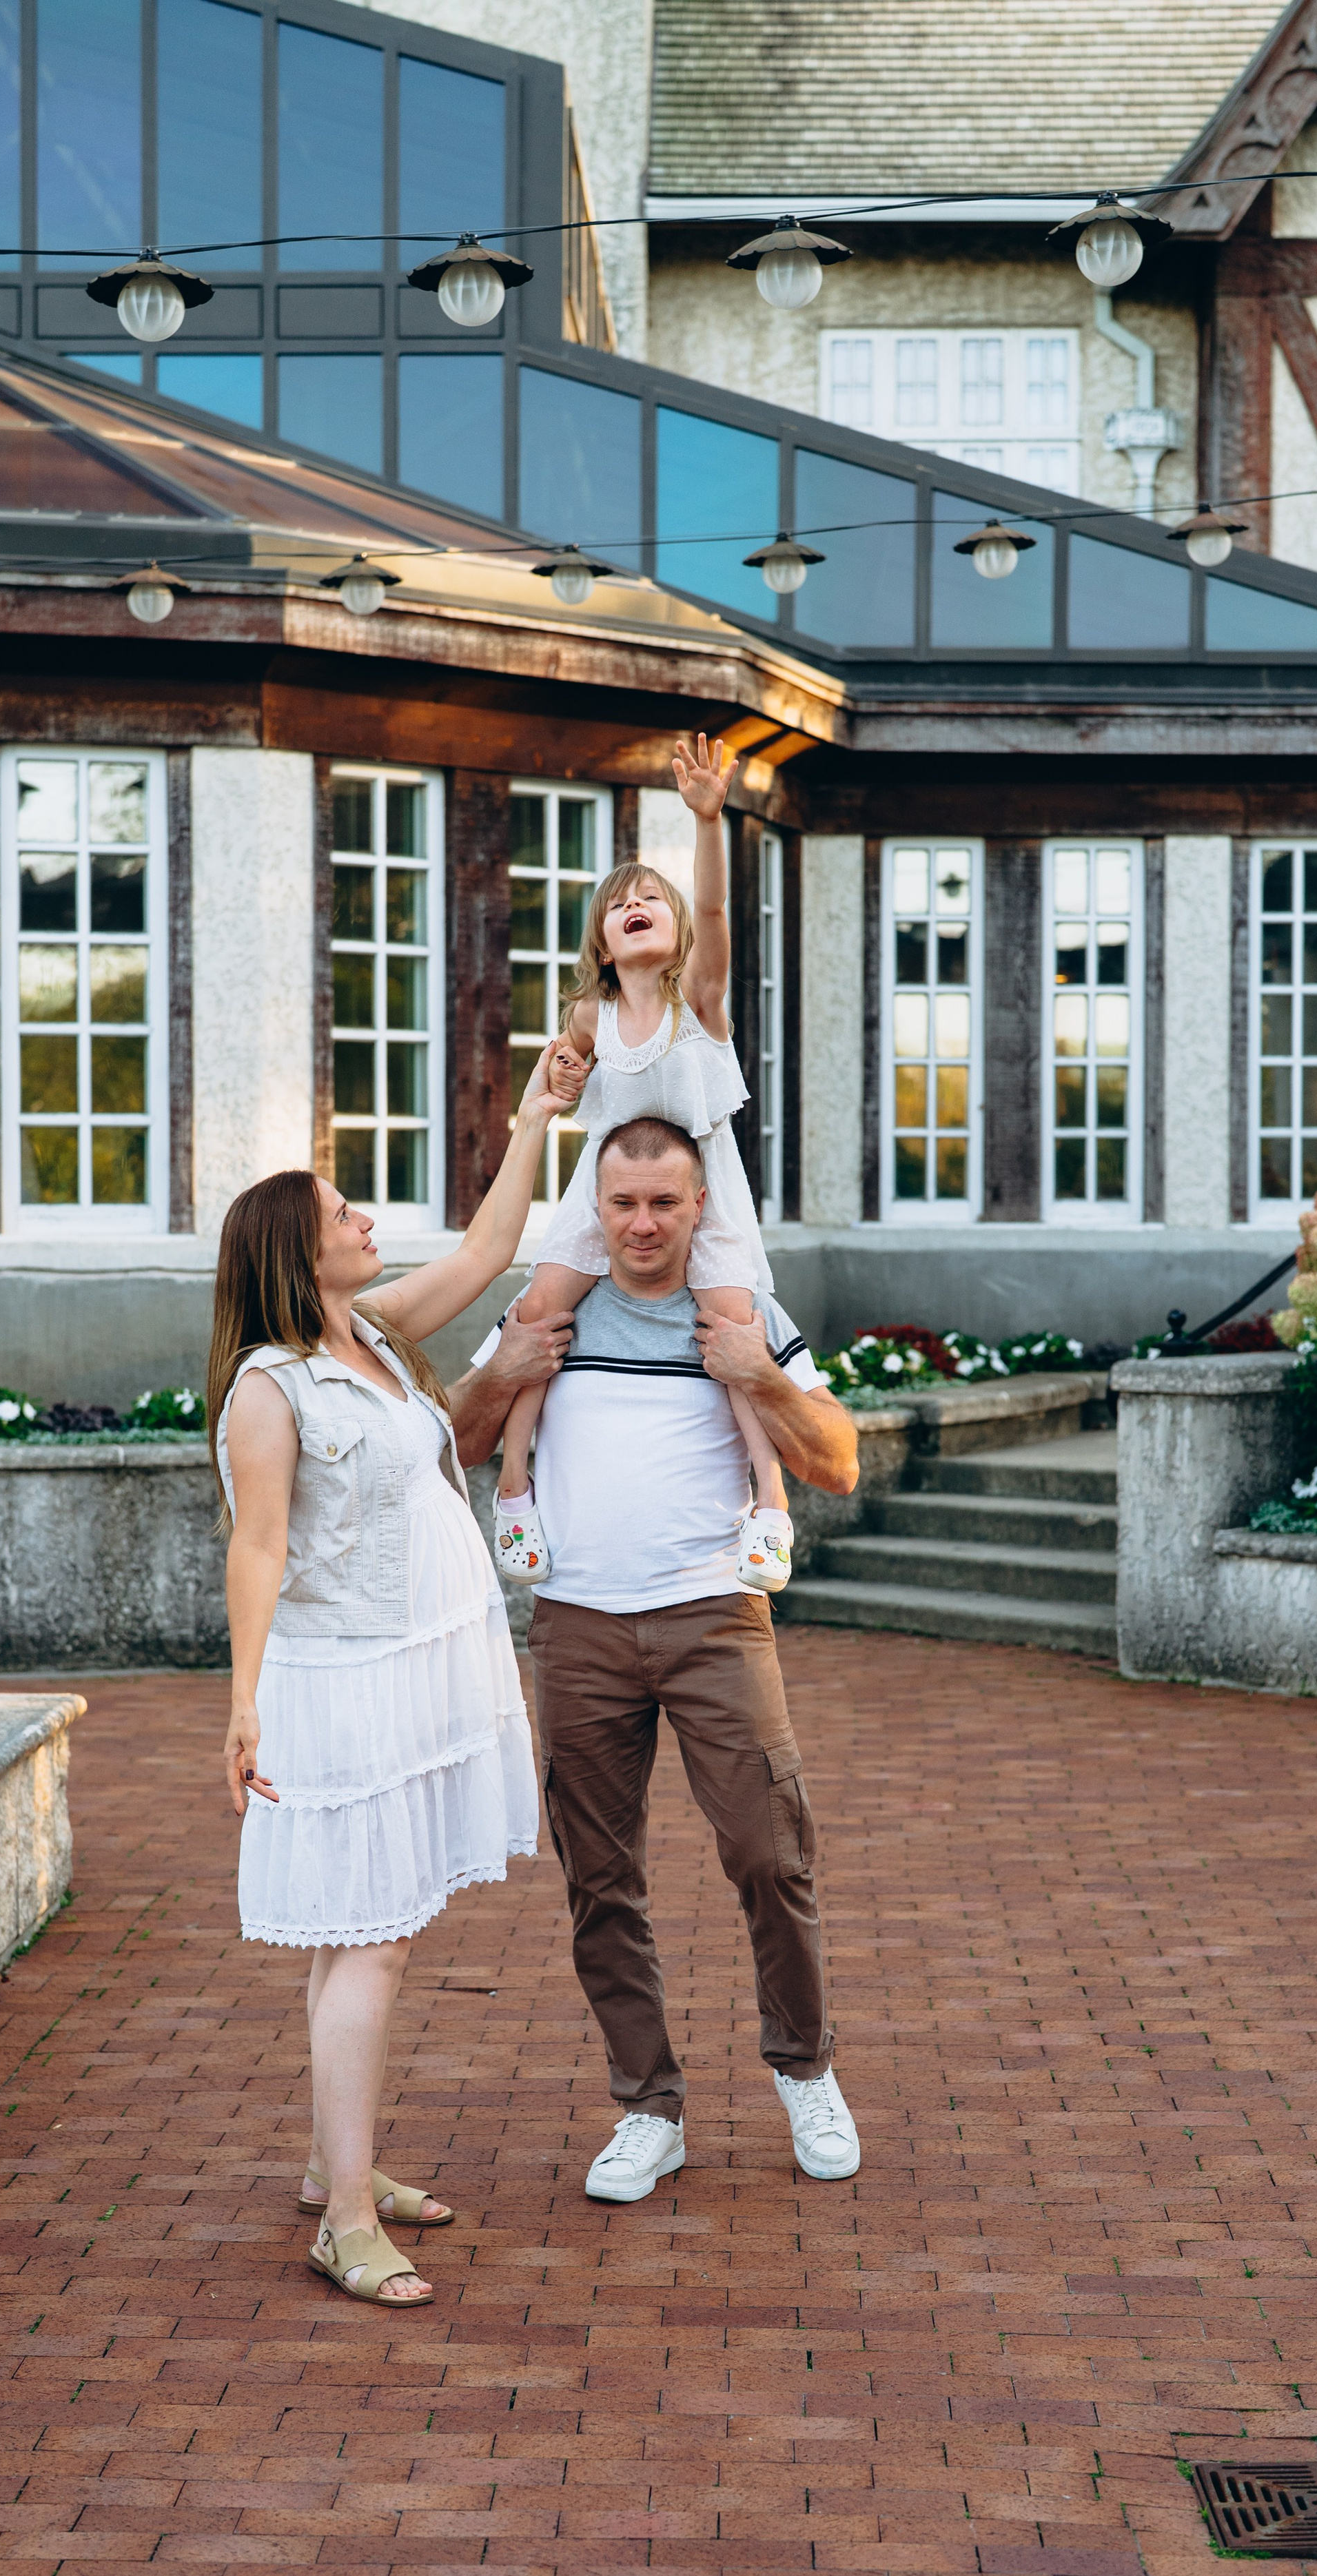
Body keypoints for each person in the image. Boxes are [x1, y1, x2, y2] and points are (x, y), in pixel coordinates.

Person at [212, 1037, 586, 2307]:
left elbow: (485, 1256)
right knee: (365, 1940)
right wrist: (242, 1699)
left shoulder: (368, 1335)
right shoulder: (272, 1388)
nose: (365, 1218)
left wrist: (535, 1114)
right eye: (339, 1213)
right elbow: (256, 1547)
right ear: (289, 1253)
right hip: (343, 1684)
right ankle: (348, 2218)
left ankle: (335, 2163)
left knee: (372, 1935)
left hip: (424, 1661)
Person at [449, 1114, 864, 2204]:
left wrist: (760, 1375)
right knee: (600, 1876)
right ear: (597, 1206)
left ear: (698, 1208)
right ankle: (649, 2109)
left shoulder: (745, 1313)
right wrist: (511, 1369)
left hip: (714, 1618)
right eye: (622, 1203)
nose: (641, 1224)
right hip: (577, 1627)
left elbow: (840, 1461)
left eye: (664, 1203)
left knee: (771, 1849)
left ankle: (807, 2070)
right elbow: (458, 1439)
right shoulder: (549, 1309)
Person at [491, 733, 792, 1597]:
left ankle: (767, 1499)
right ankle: (516, 1487)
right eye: (620, 903)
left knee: (733, 1330)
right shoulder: (590, 1012)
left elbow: (717, 911)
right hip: (608, 1191)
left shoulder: (697, 999)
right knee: (537, 1316)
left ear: (675, 930)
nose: (636, 905)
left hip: (704, 1187)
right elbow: (558, 1077)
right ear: (601, 939)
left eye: (651, 899)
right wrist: (556, 1077)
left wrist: (708, 820)